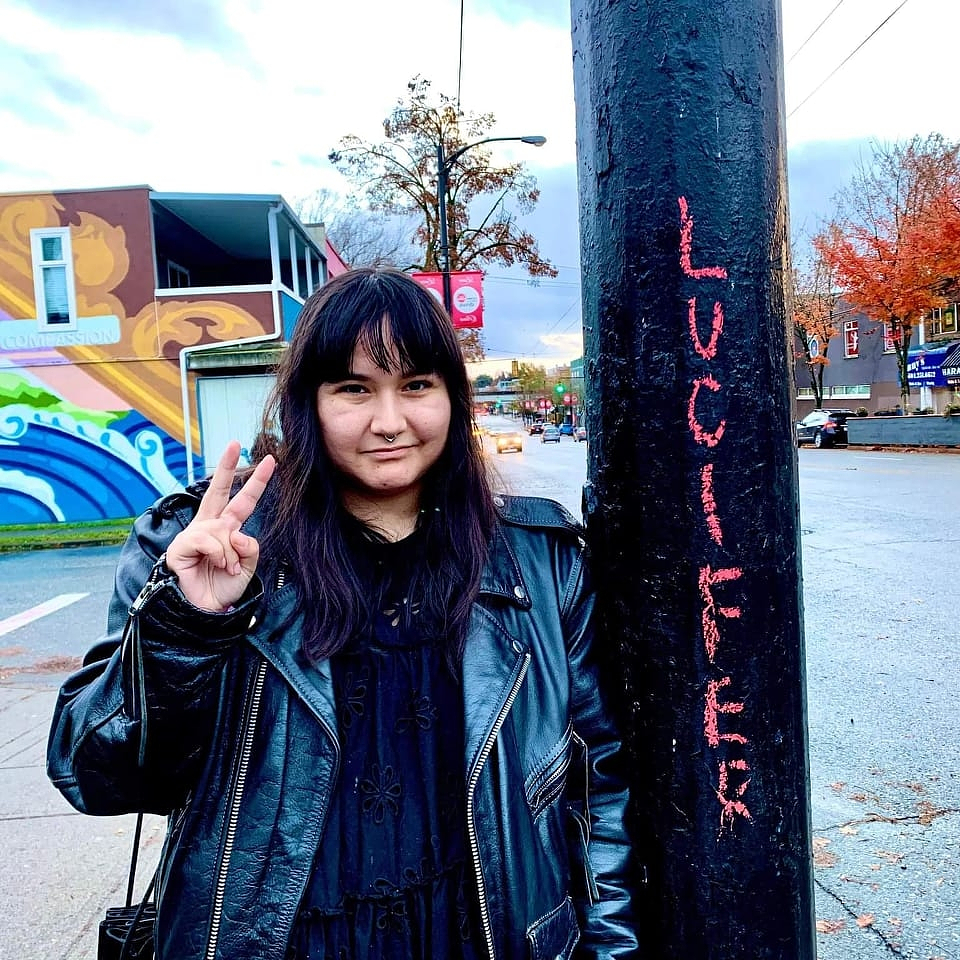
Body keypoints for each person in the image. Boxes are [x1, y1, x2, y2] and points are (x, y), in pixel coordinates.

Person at [47, 267, 637, 959]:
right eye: (354, 389)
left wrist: (609, 949)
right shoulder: (206, 546)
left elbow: (598, 790)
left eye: (416, 386)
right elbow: (97, 777)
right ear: (309, 403)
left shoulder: (538, 561)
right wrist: (188, 628)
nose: (390, 422)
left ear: (453, 396)